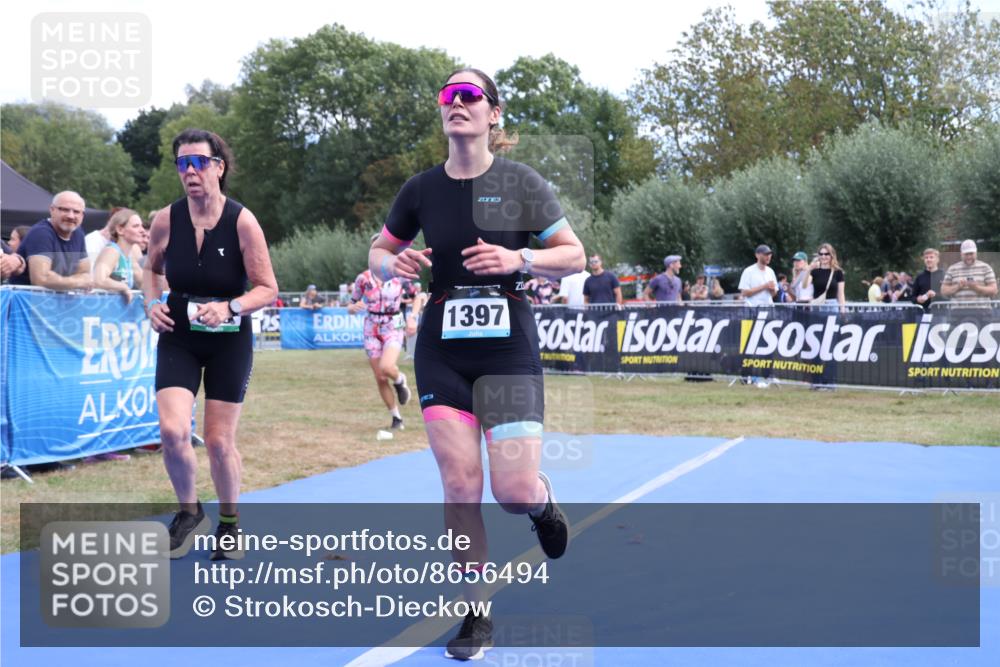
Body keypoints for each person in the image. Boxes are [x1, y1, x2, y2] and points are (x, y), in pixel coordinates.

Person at [370, 68, 584, 660]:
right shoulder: (420, 189)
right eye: (448, 96)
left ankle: (540, 503)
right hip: (442, 348)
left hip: (507, 348)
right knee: (461, 485)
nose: (457, 104)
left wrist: (518, 255)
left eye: (470, 97)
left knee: (510, 490)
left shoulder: (521, 182)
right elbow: (379, 251)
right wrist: (396, 264)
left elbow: (573, 254)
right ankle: (476, 614)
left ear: (494, 114)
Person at [143, 129, 278, 562]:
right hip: (179, 336)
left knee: (219, 442)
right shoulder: (167, 218)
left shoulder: (242, 220)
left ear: (218, 166)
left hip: (228, 340)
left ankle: (230, 523)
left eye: (199, 162)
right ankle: (188, 512)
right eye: (182, 163)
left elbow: (267, 288)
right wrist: (150, 304)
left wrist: (231, 307)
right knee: (172, 430)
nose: (190, 172)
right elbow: (151, 268)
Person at [347, 246, 413, 431]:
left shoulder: (401, 276)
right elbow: (350, 305)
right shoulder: (363, 279)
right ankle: (396, 417)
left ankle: (400, 379)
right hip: (371, 325)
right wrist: (353, 308)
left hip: (393, 322)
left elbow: (419, 296)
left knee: (387, 367)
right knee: (380, 377)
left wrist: (413, 316)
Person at [11, 191, 94, 291]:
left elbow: (85, 273)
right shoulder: (41, 233)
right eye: (65, 209)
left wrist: (61, 281)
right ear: (52, 210)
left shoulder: (78, 233)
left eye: (76, 211)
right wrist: (77, 282)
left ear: (82, 215)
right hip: (28, 303)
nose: (71, 216)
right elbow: (41, 279)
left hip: (55, 303)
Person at [93, 208, 145, 303]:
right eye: (136, 226)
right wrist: (123, 287)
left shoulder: (129, 255)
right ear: (120, 230)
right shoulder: (112, 251)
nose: (142, 230)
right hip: (103, 311)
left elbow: (145, 283)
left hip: (118, 313)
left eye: (142, 226)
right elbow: (98, 280)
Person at [803, 243, 846, 310]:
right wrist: (808, 270)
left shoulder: (838, 272)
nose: (823, 256)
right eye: (821, 254)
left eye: (826, 254)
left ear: (831, 255)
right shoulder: (814, 271)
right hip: (817, 306)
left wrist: (843, 310)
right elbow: (804, 286)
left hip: (832, 307)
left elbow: (841, 294)